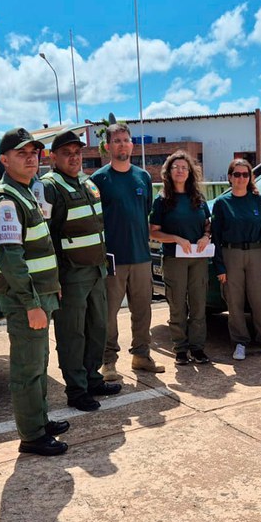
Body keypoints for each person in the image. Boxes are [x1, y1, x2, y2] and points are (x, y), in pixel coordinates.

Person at [0, 128, 68, 456]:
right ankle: (32, 436)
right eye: (22, 153)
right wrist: (32, 303)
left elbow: (39, 249)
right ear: (4, 160)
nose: (31, 157)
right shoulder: (6, 199)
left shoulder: (24, 192)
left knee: (39, 363)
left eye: (34, 152)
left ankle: (40, 420)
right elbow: (11, 259)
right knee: (27, 369)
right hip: (25, 302)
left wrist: (52, 289)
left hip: (40, 296)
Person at [41, 129, 122, 411]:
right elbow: (46, 237)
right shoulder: (49, 187)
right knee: (72, 333)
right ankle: (76, 390)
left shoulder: (87, 183)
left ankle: (91, 378)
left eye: (77, 153)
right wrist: (54, 279)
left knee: (97, 328)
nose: (74, 158)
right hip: (71, 274)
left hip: (96, 270)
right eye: (67, 153)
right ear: (53, 157)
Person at [91, 123, 164, 380]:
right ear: (108, 146)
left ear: (132, 144)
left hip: (141, 256)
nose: (122, 144)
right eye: (117, 140)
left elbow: (145, 213)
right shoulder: (98, 180)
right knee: (109, 313)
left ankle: (141, 355)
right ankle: (108, 361)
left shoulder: (142, 177)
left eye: (126, 139)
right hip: (113, 259)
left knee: (143, 310)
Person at [211, 158, 261, 361]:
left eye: (245, 174)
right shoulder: (222, 203)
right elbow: (216, 236)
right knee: (234, 301)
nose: (241, 178)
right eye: (237, 174)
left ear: (250, 177)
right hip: (231, 254)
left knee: (260, 300)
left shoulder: (257, 200)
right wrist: (220, 266)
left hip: (257, 253)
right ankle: (240, 342)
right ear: (230, 177)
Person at [149, 151, 212, 365]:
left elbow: (208, 223)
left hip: (198, 258)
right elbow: (153, 231)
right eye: (176, 167)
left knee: (198, 304)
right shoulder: (162, 199)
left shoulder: (198, 197)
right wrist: (175, 238)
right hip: (174, 258)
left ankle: (198, 348)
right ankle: (181, 349)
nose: (180, 171)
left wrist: (206, 235)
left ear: (190, 172)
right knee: (177, 304)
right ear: (168, 171)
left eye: (184, 167)